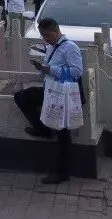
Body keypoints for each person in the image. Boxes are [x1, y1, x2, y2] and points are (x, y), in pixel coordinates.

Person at [13, 17, 83, 184]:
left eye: (47, 35)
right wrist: (43, 69)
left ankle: (62, 173)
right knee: (22, 97)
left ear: (56, 31)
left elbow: (76, 72)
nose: (45, 39)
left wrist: (50, 69)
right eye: (43, 36)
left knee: (62, 134)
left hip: (64, 94)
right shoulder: (52, 47)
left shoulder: (70, 48)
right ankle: (42, 129)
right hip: (51, 91)